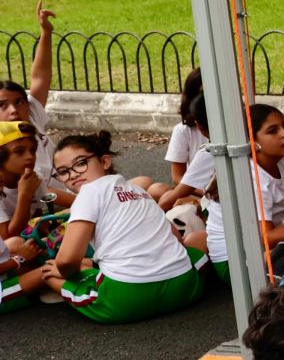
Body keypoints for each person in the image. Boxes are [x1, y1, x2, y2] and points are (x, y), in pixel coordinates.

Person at [46, 131, 208, 323]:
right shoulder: (139, 191)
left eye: (81, 163)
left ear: (105, 162)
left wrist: (63, 272)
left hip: (127, 299)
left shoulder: (88, 192)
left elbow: (66, 260)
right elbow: (175, 238)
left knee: (48, 272)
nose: (73, 175)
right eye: (63, 172)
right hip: (185, 288)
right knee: (192, 252)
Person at [204, 104, 284, 287]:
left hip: (264, 249)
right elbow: (266, 237)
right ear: (252, 142)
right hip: (237, 263)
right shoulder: (254, 177)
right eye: (272, 131)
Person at [0, 2, 70, 206]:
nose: (14, 110)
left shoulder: (30, 116)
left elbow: (40, 77)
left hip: (72, 187)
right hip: (48, 209)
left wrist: (46, 33)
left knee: (146, 186)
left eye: (19, 102)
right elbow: (41, 191)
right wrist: (88, 201)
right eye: (2, 105)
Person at [0, 123, 51, 309]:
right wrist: (24, 195)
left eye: (33, 150)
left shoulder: (33, 178)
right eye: (19, 152)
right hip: (11, 254)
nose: (30, 157)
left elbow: (42, 216)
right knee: (49, 268)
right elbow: (7, 237)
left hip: (22, 245)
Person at [148, 69, 207, 202]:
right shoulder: (183, 130)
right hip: (198, 193)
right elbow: (177, 177)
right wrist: (205, 192)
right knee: (156, 189)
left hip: (223, 196)